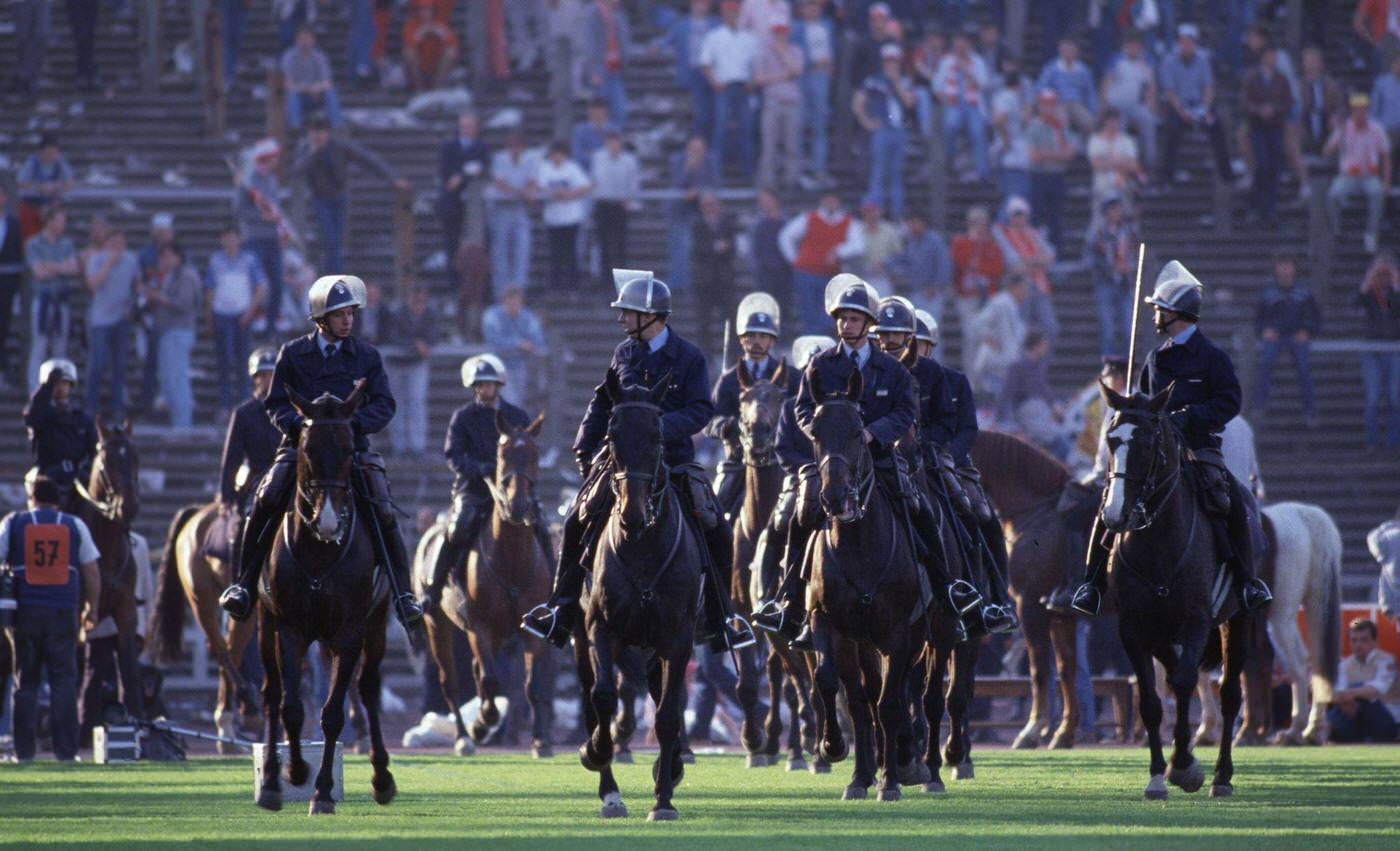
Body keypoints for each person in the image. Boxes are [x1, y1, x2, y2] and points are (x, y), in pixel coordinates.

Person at [521, 271, 756, 652]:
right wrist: (585, 441)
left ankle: (721, 617)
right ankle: (560, 609)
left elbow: (700, 410)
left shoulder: (690, 357)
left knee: (716, 526)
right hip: (623, 463)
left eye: (626, 313)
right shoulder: (623, 353)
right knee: (576, 517)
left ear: (650, 315)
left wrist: (660, 427)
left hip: (674, 460)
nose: (620, 320)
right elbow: (602, 400)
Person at [218, 274, 425, 635]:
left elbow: (385, 405)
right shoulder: (293, 354)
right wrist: (302, 429)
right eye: (340, 314)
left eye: (351, 314)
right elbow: (276, 404)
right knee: (265, 500)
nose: (348, 320)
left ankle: (404, 595)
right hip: (302, 449)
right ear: (320, 318)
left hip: (352, 448)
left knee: (382, 507)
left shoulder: (367, 356)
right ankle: (243, 585)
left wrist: (352, 426)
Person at [1071, 260, 1274, 616]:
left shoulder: (1213, 358)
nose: (1154, 315)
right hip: (1158, 455)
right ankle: (1092, 583)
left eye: (1158, 309)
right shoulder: (1155, 358)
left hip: (1199, 450)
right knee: (1112, 503)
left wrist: (1191, 417)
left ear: (1175, 312)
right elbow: (1146, 406)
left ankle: (1247, 582)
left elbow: (1229, 402)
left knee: (1231, 502)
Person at [748, 276, 924, 649]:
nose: (846, 325)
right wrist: (820, 433)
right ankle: (790, 600)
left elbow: (905, 410)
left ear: (868, 324)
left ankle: (947, 590)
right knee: (802, 511)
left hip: (878, 457)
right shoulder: (819, 364)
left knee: (917, 506)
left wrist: (873, 433)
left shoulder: (891, 370)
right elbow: (801, 407)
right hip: (830, 461)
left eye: (854, 319)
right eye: (842, 318)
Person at [420, 355, 550, 614]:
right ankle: (433, 591)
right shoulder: (462, 417)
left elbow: (529, 452)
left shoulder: (517, 415)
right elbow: (453, 455)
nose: (484, 389)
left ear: (498, 386)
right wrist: (479, 469)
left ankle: (555, 591)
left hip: (514, 488)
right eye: (479, 385)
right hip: (474, 488)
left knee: (541, 526)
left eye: (488, 384)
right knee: (457, 528)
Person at [2, 469, 101, 762]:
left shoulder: (15, 522)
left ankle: (24, 753)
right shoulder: (73, 525)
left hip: (25, 615)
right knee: (63, 683)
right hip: (62, 613)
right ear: (58, 501)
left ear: (32, 498)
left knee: (25, 683)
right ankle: (66, 753)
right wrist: (91, 608)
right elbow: (92, 571)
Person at [703, 292, 799, 522]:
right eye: (751, 336)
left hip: (781, 460)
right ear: (741, 340)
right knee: (712, 516)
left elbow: (801, 413)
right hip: (738, 461)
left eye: (763, 336)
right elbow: (709, 420)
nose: (757, 342)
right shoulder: (728, 380)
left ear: (772, 340)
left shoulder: (790, 376)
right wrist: (729, 426)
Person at [290, 114, 409, 275]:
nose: (318, 136)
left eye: (321, 132)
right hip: (320, 199)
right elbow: (297, 172)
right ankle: (332, 276)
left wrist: (392, 178)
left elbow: (368, 160)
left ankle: (334, 276)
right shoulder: (306, 150)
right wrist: (312, 154)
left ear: (328, 133)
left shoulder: (340, 147)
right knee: (329, 239)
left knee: (336, 242)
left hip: (339, 197)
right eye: (314, 132)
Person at [1158, 24, 1234, 187]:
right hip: (1177, 106)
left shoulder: (1202, 60)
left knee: (1216, 125)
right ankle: (1166, 176)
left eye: (1190, 42)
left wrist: (1204, 109)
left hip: (1199, 106)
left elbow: (1208, 87)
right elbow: (1169, 91)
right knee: (1172, 129)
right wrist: (1181, 111)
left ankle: (1226, 173)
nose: (1187, 46)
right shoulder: (1169, 61)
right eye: (1183, 42)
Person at [779, 193, 864, 334]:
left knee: (829, 313)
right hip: (806, 273)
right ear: (822, 201)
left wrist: (837, 251)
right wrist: (794, 259)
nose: (831, 203)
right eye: (828, 199)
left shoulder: (848, 222)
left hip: (830, 274)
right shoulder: (809, 218)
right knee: (808, 312)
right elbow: (786, 236)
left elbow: (859, 246)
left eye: (834, 200)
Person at [205, 225, 268, 415]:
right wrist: (209, 315)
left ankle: (243, 404)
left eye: (233, 237)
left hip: (242, 315)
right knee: (223, 361)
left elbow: (260, 287)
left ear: (239, 239)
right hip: (222, 314)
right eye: (227, 237)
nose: (230, 241)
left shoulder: (249, 260)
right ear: (222, 240)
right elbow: (210, 289)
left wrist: (249, 312)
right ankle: (224, 405)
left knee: (243, 361)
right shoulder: (216, 260)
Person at [1253, 250, 1321, 422]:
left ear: (1295, 268)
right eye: (1281, 265)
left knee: (1304, 369)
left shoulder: (1304, 293)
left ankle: (1310, 411)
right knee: (1266, 364)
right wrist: (1264, 330)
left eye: (1288, 265)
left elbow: (1315, 317)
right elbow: (1258, 319)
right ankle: (1259, 407)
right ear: (1275, 268)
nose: (1284, 269)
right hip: (1275, 336)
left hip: (1297, 336)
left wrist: (1307, 330)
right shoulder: (1267, 293)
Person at [853, 43, 916, 218]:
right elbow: (858, 102)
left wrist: (896, 82)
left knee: (896, 173)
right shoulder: (873, 80)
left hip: (899, 131)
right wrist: (866, 121)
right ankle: (873, 211)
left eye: (894, 60)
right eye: (888, 60)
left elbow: (910, 102)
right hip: (882, 130)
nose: (891, 64)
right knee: (878, 172)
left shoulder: (904, 80)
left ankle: (897, 212)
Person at [1325, 93, 1392, 255]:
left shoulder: (1377, 129)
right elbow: (1327, 151)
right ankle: (1336, 228)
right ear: (1352, 111)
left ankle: (1371, 233)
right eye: (1357, 110)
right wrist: (1339, 134)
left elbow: (1386, 156)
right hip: (1348, 175)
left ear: (1368, 111)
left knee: (1377, 193)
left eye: (1363, 110)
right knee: (1334, 193)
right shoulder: (1344, 127)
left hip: (1370, 175)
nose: (1360, 114)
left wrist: (1386, 181)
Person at [82, 225, 138, 419]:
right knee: (96, 364)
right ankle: (90, 406)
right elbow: (92, 284)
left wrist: (132, 304)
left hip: (121, 318)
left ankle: (117, 408)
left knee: (120, 366)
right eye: (114, 243)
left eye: (121, 243)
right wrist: (108, 263)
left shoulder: (131, 260)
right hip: (100, 319)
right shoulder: (96, 259)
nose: (118, 247)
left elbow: (136, 284)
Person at [234, 139, 287, 334]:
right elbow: (240, 211)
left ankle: (271, 325)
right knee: (255, 283)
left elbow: (276, 207)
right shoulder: (248, 181)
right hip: (254, 238)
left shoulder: (271, 180)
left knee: (277, 283)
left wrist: (279, 222)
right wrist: (263, 216)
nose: (277, 161)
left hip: (272, 238)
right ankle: (251, 320)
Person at [219, 348, 283, 511]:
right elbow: (232, 458)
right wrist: (227, 497)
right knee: (244, 523)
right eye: (263, 375)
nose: (267, 380)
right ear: (255, 378)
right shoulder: (243, 413)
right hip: (255, 479)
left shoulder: (290, 410)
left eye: (271, 375)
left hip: (287, 477)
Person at [23, 359, 97, 500]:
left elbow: (94, 450)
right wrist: (46, 388)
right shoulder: (42, 416)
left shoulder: (81, 419)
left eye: (65, 383)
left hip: (78, 478)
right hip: (46, 476)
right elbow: (32, 417)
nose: (60, 387)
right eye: (56, 383)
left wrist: (86, 471)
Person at [701, 0, 760, 177]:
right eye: (728, 13)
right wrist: (714, 81)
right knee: (720, 128)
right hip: (723, 87)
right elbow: (705, 63)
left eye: (735, 13)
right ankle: (716, 171)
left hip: (744, 87)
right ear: (723, 15)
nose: (732, 16)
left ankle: (747, 170)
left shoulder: (749, 37)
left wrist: (753, 82)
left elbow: (755, 63)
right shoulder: (714, 36)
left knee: (746, 129)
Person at [147, 242, 202, 430]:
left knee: (178, 380)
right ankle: (177, 423)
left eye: (167, 256)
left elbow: (184, 303)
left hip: (179, 332)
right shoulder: (166, 276)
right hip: (167, 332)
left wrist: (159, 297)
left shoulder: (186, 274)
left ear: (177, 257)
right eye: (162, 256)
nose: (164, 260)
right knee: (168, 381)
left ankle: (183, 425)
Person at [24, 207, 78, 392]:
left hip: (60, 301)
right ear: (50, 221)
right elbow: (39, 272)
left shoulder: (66, 244)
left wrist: (50, 266)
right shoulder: (34, 244)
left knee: (59, 348)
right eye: (60, 220)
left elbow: (73, 269)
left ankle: (58, 391)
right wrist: (61, 266)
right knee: (39, 346)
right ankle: (34, 390)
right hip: (43, 300)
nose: (63, 224)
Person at [1241, 41, 1293, 227]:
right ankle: (1256, 205)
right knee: (1261, 165)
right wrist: (1259, 110)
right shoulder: (1252, 78)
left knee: (1274, 167)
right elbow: (1245, 102)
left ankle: (1271, 208)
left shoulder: (1281, 79)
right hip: (1258, 127)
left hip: (1275, 127)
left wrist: (1274, 110)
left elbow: (1288, 102)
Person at [436, 111, 491, 286]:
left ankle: (477, 280)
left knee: (477, 241)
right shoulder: (448, 146)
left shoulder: (482, 146)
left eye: (470, 126)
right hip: (452, 201)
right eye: (464, 126)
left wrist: (462, 174)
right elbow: (444, 171)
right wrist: (460, 174)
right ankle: (453, 279)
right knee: (452, 241)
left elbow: (483, 168)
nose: (467, 129)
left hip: (475, 202)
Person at [949, 205, 1005, 372]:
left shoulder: (992, 245)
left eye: (982, 223)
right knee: (971, 336)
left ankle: (984, 377)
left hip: (987, 296)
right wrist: (973, 244)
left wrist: (981, 267)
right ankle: (970, 378)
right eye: (975, 223)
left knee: (987, 337)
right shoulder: (960, 242)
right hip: (966, 296)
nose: (980, 227)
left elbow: (997, 268)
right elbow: (959, 263)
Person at [383, 287, 438, 458]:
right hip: (395, 363)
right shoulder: (396, 313)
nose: (418, 305)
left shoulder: (430, 313)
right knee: (396, 403)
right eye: (415, 301)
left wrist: (424, 345)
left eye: (421, 301)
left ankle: (417, 446)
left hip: (417, 364)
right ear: (408, 299)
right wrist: (414, 345)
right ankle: (398, 446)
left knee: (417, 402)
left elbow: (433, 336)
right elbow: (391, 336)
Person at [1083, 194, 1140, 359]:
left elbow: (1137, 253)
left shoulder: (1129, 232)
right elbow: (1090, 258)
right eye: (1112, 209)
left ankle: (1126, 366)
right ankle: (1108, 368)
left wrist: (1130, 267)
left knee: (1128, 329)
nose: (1116, 212)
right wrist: (1110, 267)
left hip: (1124, 283)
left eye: (1118, 208)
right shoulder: (1097, 233)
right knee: (1107, 330)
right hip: (1105, 283)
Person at [995, 331, 1067, 456]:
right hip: (1028, 413)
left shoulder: (1037, 367)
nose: (1046, 347)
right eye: (1044, 344)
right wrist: (1006, 421)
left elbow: (1045, 391)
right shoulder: (1017, 367)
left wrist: (1054, 405)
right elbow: (1006, 395)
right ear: (1036, 346)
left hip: (1041, 413)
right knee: (1059, 441)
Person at [1327, 618, 1399, 742]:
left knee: (1361, 695)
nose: (1358, 645)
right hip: (1353, 716)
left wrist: (1349, 695)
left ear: (1374, 642)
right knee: (1337, 711)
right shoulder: (1344, 665)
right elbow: (1338, 693)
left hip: (1387, 717)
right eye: (1354, 640)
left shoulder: (1386, 661)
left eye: (1364, 640)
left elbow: (1376, 691)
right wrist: (1345, 699)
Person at [934, 31, 991, 183]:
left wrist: (965, 70)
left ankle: (983, 172)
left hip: (973, 105)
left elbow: (982, 85)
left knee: (977, 132)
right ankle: (949, 165)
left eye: (963, 42)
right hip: (952, 104)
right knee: (950, 126)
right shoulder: (946, 61)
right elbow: (937, 85)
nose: (960, 46)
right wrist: (945, 99)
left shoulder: (977, 61)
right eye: (957, 42)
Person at [485, 131, 537, 293]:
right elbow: (499, 182)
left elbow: (532, 181)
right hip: (501, 207)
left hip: (520, 208)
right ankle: (500, 289)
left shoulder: (530, 159)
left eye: (518, 146)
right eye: (512, 146)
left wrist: (523, 192)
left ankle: (519, 289)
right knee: (500, 250)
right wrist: (520, 192)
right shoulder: (500, 158)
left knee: (523, 248)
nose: (515, 150)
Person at [1358, 252, 1400, 452]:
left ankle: (1394, 443)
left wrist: (1396, 281)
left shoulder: (1394, 293)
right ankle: (1371, 442)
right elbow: (1356, 303)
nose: (1382, 277)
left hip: (1393, 348)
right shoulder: (1368, 295)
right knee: (1372, 398)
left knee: (1394, 398)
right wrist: (1369, 278)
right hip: (1372, 348)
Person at [536, 143, 592, 292]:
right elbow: (538, 186)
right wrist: (554, 192)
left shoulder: (572, 168)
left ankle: (573, 284)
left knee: (571, 251)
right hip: (552, 218)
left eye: (559, 153)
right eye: (554, 154)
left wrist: (569, 194)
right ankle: (555, 284)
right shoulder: (545, 168)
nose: (557, 157)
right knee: (555, 252)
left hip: (571, 217)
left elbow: (585, 186)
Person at [1100, 30, 1158, 173]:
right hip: (1116, 107)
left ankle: (1150, 163)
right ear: (1125, 45)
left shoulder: (1146, 60)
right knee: (1120, 129)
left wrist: (1152, 106)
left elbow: (1151, 85)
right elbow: (1105, 83)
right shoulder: (1116, 59)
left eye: (1136, 45)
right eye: (1130, 45)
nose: (1133, 48)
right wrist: (1103, 108)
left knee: (1149, 120)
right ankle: (1120, 167)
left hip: (1136, 106)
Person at [668, 136, 721, 293]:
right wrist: (688, 169)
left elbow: (715, 183)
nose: (696, 153)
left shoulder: (711, 162)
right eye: (693, 150)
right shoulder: (677, 161)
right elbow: (676, 183)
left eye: (700, 150)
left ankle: (694, 284)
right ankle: (679, 283)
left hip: (702, 210)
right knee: (679, 246)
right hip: (681, 210)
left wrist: (698, 190)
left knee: (696, 247)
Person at [754, 20, 803, 190]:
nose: (780, 36)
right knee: (769, 144)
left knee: (792, 144)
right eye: (777, 32)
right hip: (772, 101)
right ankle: (768, 181)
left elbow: (796, 71)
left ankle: (791, 179)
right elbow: (759, 79)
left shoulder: (795, 51)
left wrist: (782, 53)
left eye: (783, 32)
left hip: (792, 102)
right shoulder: (763, 53)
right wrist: (782, 76)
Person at [1026, 89, 1077, 250]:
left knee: (1056, 218)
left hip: (1057, 175)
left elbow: (1070, 153)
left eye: (1051, 104)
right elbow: (1034, 155)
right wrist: (1058, 155)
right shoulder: (1034, 126)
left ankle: (1057, 254)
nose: (1048, 108)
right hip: (1039, 175)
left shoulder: (1060, 126)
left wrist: (1048, 154)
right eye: (1045, 104)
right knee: (1037, 217)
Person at [482, 285, 549, 407]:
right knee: (509, 402)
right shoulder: (492, 316)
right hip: (498, 366)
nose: (513, 306)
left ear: (521, 302)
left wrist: (528, 345)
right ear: (504, 301)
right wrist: (518, 343)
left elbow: (538, 340)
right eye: (510, 302)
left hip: (520, 365)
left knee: (517, 404)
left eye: (516, 303)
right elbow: (494, 341)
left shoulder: (528, 317)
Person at [663, 0, 720, 140]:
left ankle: (707, 142)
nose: (701, 6)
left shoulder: (716, 23)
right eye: (698, 3)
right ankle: (698, 141)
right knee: (700, 111)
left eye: (704, 3)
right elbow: (666, 41)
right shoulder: (681, 24)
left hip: (713, 72)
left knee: (714, 111)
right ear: (692, 5)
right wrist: (655, 47)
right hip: (693, 71)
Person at [792, 0, 835, 185]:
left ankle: (819, 168)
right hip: (805, 76)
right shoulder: (797, 27)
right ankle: (799, 168)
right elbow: (796, 53)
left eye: (815, 5)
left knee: (820, 124)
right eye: (808, 6)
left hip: (822, 77)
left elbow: (832, 51)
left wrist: (828, 67)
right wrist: (813, 64)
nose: (812, 9)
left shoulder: (828, 25)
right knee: (800, 123)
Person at [970, 269, 1029, 400]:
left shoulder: (1012, 305)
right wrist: (990, 339)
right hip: (997, 365)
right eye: (1024, 288)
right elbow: (977, 324)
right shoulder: (1000, 302)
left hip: (1008, 365)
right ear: (1015, 287)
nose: (1026, 292)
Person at [591, 130, 642, 279]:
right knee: (603, 244)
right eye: (610, 142)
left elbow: (634, 182)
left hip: (620, 205)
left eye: (616, 142)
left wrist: (630, 200)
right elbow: (595, 180)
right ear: (606, 144)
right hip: (603, 205)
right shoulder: (598, 158)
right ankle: (605, 280)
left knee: (621, 244)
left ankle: (622, 278)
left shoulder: (629, 160)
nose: (613, 146)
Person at [890, 210, 953, 324]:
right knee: (917, 328)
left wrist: (935, 286)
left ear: (924, 223)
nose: (913, 226)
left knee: (931, 327)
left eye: (916, 223)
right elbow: (901, 259)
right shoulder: (911, 242)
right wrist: (884, 264)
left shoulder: (935, 241)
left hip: (933, 293)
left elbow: (944, 265)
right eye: (911, 223)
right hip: (916, 291)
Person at [280, 24, 343, 130]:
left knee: (330, 92)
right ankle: (296, 127)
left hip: (317, 95)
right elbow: (287, 83)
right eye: (301, 39)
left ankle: (338, 125)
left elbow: (327, 82)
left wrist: (316, 89)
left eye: (307, 39)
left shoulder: (320, 57)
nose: (304, 42)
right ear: (296, 40)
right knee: (292, 94)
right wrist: (308, 89)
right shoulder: (288, 57)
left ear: (313, 40)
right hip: (299, 95)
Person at [691, 192, 738, 333]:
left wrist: (724, 247)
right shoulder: (697, 225)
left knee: (731, 319)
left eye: (713, 204)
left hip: (724, 278)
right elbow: (697, 248)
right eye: (706, 205)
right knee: (703, 321)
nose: (710, 208)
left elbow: (733, 247)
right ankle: (705, 353)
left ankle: (733, 353)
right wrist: (715, 247)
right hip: (705, 279)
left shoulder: (727, 224)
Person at [16, 135, 74, 240]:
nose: (51, 155)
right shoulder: (32, 162)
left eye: (54, 152)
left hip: (50, 206)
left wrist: (56, 186)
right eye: (48, 151)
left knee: (52, 233)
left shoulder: (59, 161)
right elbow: (21, 182)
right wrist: (39, 187)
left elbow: (70, 181)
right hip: (32, 205)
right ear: (41, 152)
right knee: (30, 236)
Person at [584, 0, 632, 126]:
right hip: (601, 70)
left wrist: (625, 61)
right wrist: (593, 71)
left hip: (616, 69)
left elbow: (624, 40)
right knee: (600, 112)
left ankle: (615, 141)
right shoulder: (591, 14)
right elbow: (588, 44)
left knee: (620, 110)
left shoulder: (618, 15)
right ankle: (600, 142)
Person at [1037, 36, 1097, 136]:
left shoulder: (1083, 70)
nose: (1069, 53)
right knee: (1061, 121)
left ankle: (1085, 146)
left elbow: (1090, 92)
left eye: (1071, 50)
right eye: (1066, 50)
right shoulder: (1052, 68)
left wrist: (1093, 110)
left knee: (1089, 122)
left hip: (1077, 103)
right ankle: (1063, 147)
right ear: (1061, 51)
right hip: (1058, 102)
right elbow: (1041, 87)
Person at [1087, 109, 1144, 214]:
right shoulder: (1095, 140)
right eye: (1111, 121)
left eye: (1116, 121)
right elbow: (1096, 165)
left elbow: (1134, 165)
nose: (1113, 124)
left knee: (1128, 210)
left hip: (1123, 184)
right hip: (1102, 186)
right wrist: (1122, 161)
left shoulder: (1127, 140)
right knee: (1099, 217)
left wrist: (1108, 161)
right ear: (1105, 122)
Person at [749, 189, 792, 316]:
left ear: (776, 202)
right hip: (764, 272)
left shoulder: (786, 223)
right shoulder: (756, 224)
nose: (765, 204)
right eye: (762, 201)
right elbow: (753, 248)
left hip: (783, 271)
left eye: (768, 201)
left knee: (783, 308)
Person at [402, 0, 460, 91]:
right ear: (418, 11)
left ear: (433, 11)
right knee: (408, 52)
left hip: (435, 69)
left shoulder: (440, 23)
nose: (425, 13)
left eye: (429, 9)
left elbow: (453, 43)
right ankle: (419, 90)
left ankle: (436, 89)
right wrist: (420, 34)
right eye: (422, 9)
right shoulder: (411, 24)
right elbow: (408, 45)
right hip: (417, 71)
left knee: (451, 52)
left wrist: (440, 33)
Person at [1299, 46, 1345, 157]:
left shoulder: (1331, 85)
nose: (1312, 65)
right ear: (1303, 64)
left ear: (1321, 64)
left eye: (1314, 61)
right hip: (1305, 119)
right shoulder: (1297, 86)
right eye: (1309, 61)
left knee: (1340, 128)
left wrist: (1336, 116)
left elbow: (1341, 106)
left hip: (1326, 118)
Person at [0, 185, 22, 386]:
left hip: (6, 284)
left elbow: (18, 253)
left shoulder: (14, 224)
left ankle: (3, 366)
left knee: (3, 324)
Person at [570, 99, 617, 175]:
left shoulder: (614, 129)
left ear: (606, 111)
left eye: (601, 110)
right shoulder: (579, 131)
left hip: (610, 172)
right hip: (586, 172)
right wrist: (602, 157)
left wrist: (592, 154)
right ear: (589, 112)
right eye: (595, 111)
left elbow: (617, 154)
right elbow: (577, 155)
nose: (598, 114)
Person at [1372, 54, 1400, 150]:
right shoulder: (1381, 84)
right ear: (1392, 65)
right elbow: (1374, 109)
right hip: (1387, 129)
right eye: (1397, 63)